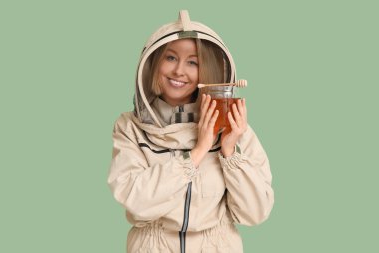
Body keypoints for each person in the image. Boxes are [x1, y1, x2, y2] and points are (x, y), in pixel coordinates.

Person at [108, 10, 274, 253]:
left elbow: (255, 213)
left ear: (207, 71)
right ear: (153, 63)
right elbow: (136, 201)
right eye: (171, 58)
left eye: (193, 62)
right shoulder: (129, 127)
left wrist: (229, 152)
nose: (179, 71)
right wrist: (198, 152)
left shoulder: (235, 129)